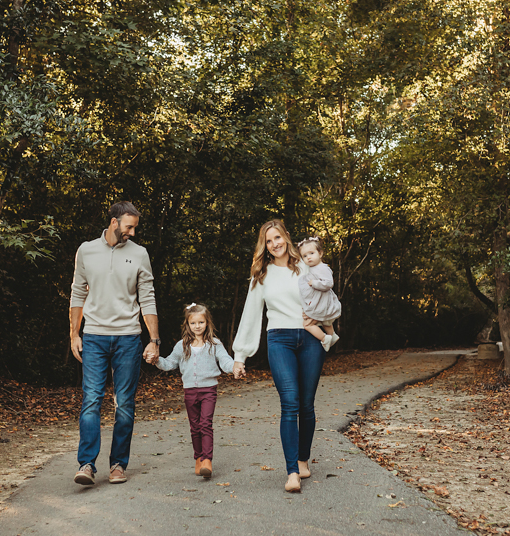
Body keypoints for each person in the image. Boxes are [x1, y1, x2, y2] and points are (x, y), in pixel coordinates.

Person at [69, 201, 161, 486]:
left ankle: (118, 464)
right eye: (129, 227)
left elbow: (147, 297)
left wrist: (154, 339)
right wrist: (74, 334)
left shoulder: (140, 254)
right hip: (94, 337)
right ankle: (86, 464)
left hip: (128, 338)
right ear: (113, 223)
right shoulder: (86, 250)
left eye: (134, 227)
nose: (132, 233)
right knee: (92, 400)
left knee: (124, 404)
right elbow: (77, 294)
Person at [232, 220, 325, 493]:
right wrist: (241, 355)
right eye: (268, 241)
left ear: (286, 237)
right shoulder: (261, 275)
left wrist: (323, 325)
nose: (275, 244)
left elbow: (328, 298)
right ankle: (292, 472)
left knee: (307, 405)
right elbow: (251, 315)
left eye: (278, 237)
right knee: (290, 403)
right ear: (265, 246)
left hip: (310, 339)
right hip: (279, 340)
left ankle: (303, 458)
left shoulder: (307, 266)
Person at [147, 303, 241, 480]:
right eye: (193, 323)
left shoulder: (214, 344)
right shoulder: (182, 345)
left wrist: (235, 367)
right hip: (190, 391)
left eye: (201, 322)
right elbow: (170, 363)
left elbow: (226, 361)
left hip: (208, 390)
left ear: (207, 323)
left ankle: (207, 460)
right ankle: (198, 457)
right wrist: (156, 360)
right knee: (194, 426)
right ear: (187, 324)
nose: (197, 326)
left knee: (205, 424)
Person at [296, 236, 342, 352]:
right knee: (325, 321)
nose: (308, 257)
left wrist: (314, 283)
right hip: (321, 300)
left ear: (320, 253)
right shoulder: (314, 268)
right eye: (305, 256)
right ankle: (332, 335)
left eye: (311, 253)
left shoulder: (322, 268)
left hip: (322, 301)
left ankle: (324, 338)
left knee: (307, 324)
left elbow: (329, 283)